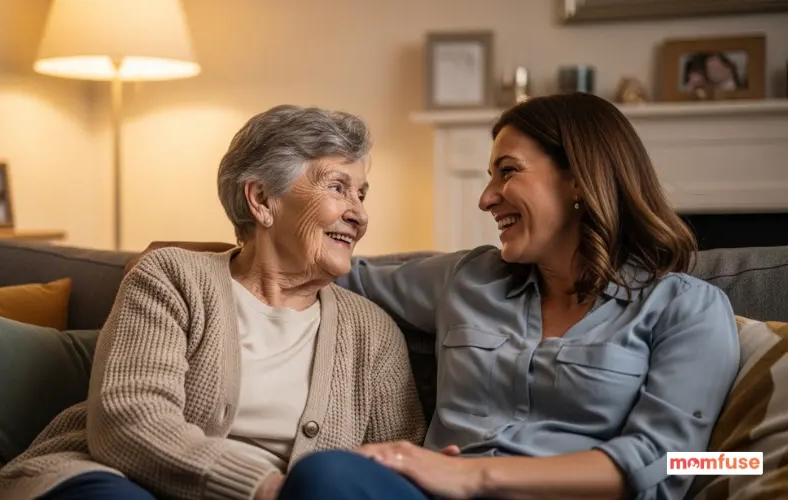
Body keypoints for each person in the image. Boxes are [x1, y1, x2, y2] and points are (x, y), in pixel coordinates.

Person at [122, 93, 741, 500]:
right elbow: (314, 264)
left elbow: (682, 462)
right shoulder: (466, 280)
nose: (486, 198)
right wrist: (188, 258)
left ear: (579, 178)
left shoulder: (689, 308)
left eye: (507, 171)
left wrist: (472, 474)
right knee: (328, 475)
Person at [0, 105, 426, 500]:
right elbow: (129, 421)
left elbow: (390, 470)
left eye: (362, 194)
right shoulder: (173, 278)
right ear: (262, 199)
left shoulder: (372, 330)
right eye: (338, 188)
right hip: (108, 478)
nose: (360, 214)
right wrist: (266, 489)